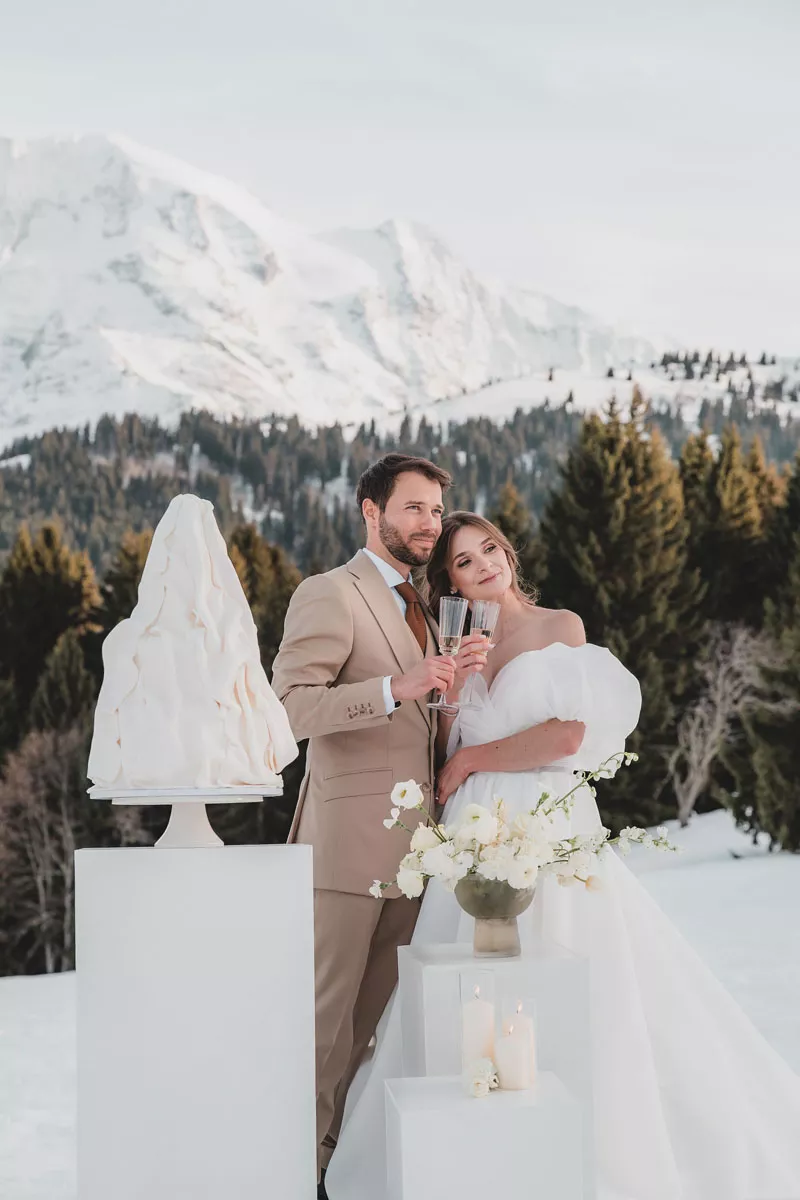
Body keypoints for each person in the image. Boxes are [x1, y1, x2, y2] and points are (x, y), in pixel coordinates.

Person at [325, 510, 800, 1200]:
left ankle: (590, 1134)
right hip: (474, 833)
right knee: (467, 980)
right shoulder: (454, 643)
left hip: (546, 822)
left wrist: (473, 762)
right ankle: (481, 1143)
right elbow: (443, 756)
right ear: (451, 584)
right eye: (464, 562)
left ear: (508, 553)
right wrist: (452, 694)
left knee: (569, 964)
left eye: (490, 549)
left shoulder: (560, 628)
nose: (485, 565)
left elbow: (567, 738)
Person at [271, 460, 487, 1199]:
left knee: (372, 1030)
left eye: (437, 511)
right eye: (414, 508)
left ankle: (333, 1170)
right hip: (344, 848)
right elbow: (289, 709)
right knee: (323, 1028)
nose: (430, 524)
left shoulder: (425, 605)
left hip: (416, 855)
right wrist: (396, 687)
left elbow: (423, 729)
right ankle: (289, 1173)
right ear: (372, 511)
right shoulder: (331, 592)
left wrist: (454, 689)